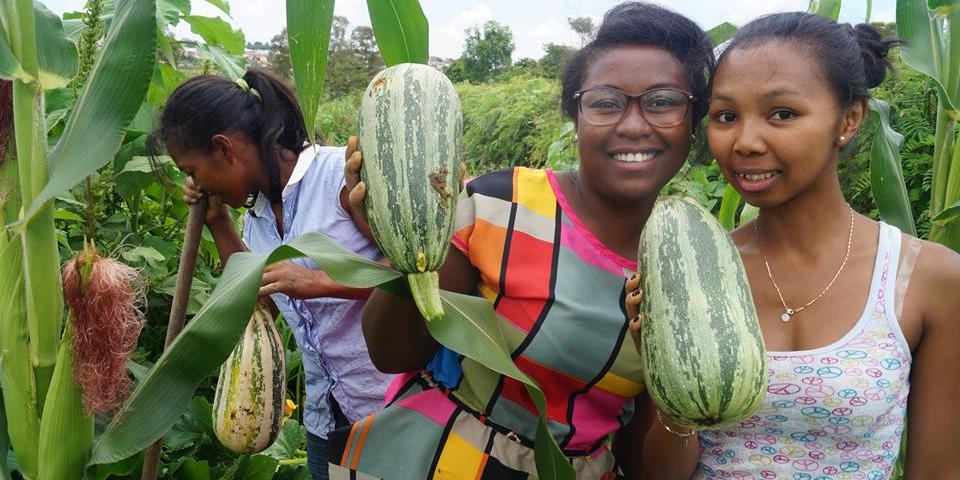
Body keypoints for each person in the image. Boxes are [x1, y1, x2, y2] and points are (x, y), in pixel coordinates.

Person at [326, 3, 716, 478]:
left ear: (695, 119)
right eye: (605, 102)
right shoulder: (499, 203)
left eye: (662, 101)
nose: (633, 124)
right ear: (575, 116)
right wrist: (402, 233)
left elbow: (642, 457)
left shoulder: (688, 269)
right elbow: (393, 355)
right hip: (435, 460)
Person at [626, 12, 960, 479]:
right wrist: (668, 381)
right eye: (726, 116)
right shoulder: (691, 271)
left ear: (849, 119)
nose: (745, 141)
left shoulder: (930, 278)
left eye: (782, 113)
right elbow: (662, 475)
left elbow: (938, 470)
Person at [147, 68, 394, 480]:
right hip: (324, 419)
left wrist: (322, 283)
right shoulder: (256, 219)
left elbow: (410, 271)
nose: (194, 183)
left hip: (391, 406)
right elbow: (262, 310)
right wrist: (218, 222)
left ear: (224, 148)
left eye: (192, 170)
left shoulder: (342, 177)